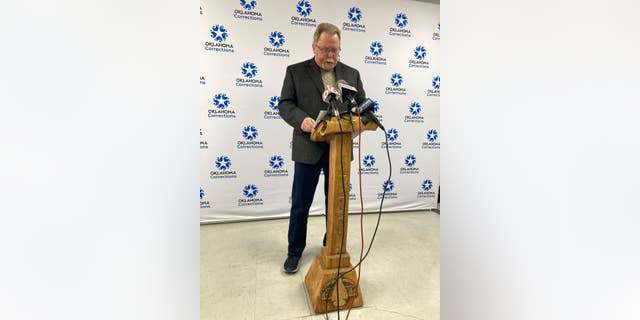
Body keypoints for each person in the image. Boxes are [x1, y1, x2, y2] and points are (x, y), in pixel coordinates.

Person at [278, 22, 366, 274]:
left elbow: (362, 105)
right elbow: (285, 104)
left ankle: (332, 244)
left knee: (336, 203)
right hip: (308, 147)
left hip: (339, 149)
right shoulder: (294, 71)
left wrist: (360, 121)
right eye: (325, 49)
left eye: (335, 50)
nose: (330, 56)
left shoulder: (352, 74)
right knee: (300, 204)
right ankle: (294, 251)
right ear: (314, 46)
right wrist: (301, 120)